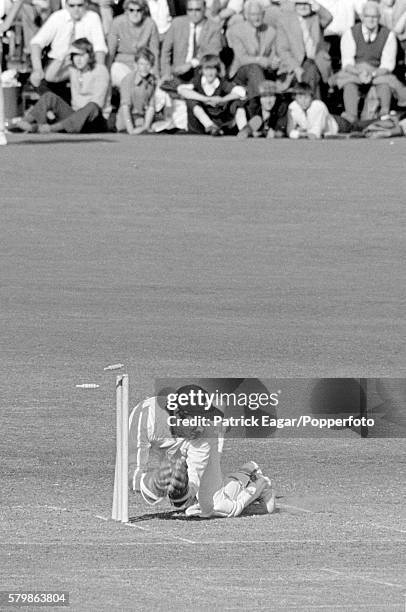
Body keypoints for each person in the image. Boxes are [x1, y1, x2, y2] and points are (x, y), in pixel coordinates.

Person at [129, 385, 276, 518]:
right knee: (186, 500)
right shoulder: (144, 419)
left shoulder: (204, 431)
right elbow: (131, 475)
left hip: (198, 444)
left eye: (203, 419)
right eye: (195, 421)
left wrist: (184, 491)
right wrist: (155, 482)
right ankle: (245, 474)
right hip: (171, 448)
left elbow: (193, 483)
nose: (200, 428)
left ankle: (256, 479)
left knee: (216, 507)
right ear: (178, 415)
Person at [16, 38, 109, 133]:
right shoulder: (73, 70)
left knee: (92, 106)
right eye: (74, 55)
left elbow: (98, 103)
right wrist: (63, 57)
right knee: (49, 96)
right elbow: (50, 77)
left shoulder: (100, 70)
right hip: (74, 115)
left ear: (89, 55)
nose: (78, 59)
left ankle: (50, 128)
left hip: (93, 119)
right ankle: (26, 122)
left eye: (82, 55)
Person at [338, 1, 397, 122]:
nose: (371, 20)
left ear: (379, 18)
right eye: (368, 16)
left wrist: (372, 74)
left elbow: (388, 64)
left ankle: (384, 116)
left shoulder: (388, 35)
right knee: (349, 83)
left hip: (377, 72)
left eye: (374, 17)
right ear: (362, 17)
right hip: (355, 71)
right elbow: (347, 62)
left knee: (385, 82)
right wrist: (360, 73)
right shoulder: (350, 33)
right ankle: (351, 117)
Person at [29, 0, 107, 88]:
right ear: (66, 5)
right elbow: (36, 43)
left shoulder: (92, 18)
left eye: (79, 5)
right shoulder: (58, 16)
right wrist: (37, 69)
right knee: (41, 80)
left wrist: (98, 74)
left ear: (86, 4)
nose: (76, 9)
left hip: (81, 63)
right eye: (72, 6)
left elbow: (99, 48)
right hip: (57, 62)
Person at [226, 0, 279, 115]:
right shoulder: (236, 31)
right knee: (254, 68)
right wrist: (260, 60)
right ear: (246, 15)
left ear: (264, 15)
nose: (256, 18)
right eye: (253, 15)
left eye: (259, 14)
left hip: (265, 72)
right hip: (241, 72)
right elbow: (242, 58)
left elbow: (274, 55)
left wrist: (273, 62)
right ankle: (258, 113)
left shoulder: (271, 31)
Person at [177, 53, 248, 135]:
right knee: (191, 101)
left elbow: (242, 92)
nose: (209, 73)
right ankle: (210, 126)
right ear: (201, 70)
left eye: (213, 69)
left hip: (220, 122)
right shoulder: (197, 81)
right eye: (206, 69)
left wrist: (222, 100)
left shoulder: (222, 83)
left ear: (217, 70)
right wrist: (205, 99)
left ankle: (244, 129)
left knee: (237, 103)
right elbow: (181, 90)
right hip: (200, 126)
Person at [276, 0, 332, 98]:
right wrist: (296, 68)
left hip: (317, 62)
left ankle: (308, 104)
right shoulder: (285, 21)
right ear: (295, 4)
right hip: (294, 64)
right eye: (300, 3)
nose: (303, 7)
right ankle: (314, 105)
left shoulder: (315, 18)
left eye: (306, 3)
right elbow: (282, 50)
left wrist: (317, 6)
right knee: (311, 71)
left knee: (312, 69)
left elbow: (328, 17)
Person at [160, 0, 222, 84]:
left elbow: (213, 52)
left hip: (202, 73)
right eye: (190, 10)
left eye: (197, 10)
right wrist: (166, 73)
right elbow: (165, 51)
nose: (194, 13)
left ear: (204, 9)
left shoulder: (214, 27)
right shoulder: (177, 23)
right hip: (178, 72)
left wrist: (191, 64)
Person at [107, 0, 160, 88]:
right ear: (126, 10)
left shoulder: (150, 24)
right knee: (116, 71)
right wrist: (106, 72)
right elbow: (111, 50)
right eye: (131, 10)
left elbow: (155, 52)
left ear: (144, 11)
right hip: (123, 63)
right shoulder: (117, 22)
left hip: (144, 65)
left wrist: (156, 74)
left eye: (139, 10)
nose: (135, 13)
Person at [116, 47, 157, 133]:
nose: (144, 68)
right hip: (126, 121)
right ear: (136, 65)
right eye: (141, 64)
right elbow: (125, 107)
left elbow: (151, 106)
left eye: (148, 64)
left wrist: (146, 126)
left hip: (141, 119)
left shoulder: (152, 81)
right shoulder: (127, 80)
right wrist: (131, 130)